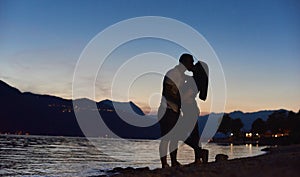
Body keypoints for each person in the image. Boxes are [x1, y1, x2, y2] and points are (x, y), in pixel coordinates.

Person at [158, 53, 194, 168]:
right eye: (191, 62)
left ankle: (174, 162)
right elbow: (166, 92)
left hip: (175, 110)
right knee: (166, 138)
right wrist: (180, 101)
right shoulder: (172, 73)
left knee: (174, 138)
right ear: (184, 62)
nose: (192, 64)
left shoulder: (182, 76)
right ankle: (164, 164)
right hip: (166, 109)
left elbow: (193, 80)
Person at [180, 61, 209, 164]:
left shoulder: (194, 82)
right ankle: (198, 159)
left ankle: (201, 152)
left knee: (178, 133)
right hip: (192, 108)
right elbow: (202, 96)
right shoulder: (196, 80)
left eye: (195, 65)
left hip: (189, 109)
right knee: (195, 136)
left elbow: (186, 96)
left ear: (199, 70)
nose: (192, 65)